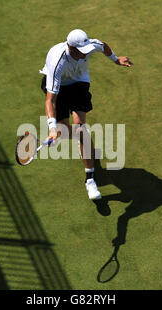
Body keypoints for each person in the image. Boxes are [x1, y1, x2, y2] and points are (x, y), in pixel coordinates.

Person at [39, 29, 133, 200]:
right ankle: (64, 134)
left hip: (79, 82)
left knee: (81, 130)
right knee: (63, 129)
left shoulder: (90, 45)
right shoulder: (57, 61)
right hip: (58, 86)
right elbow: (50, 101)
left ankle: (90, 180)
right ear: (71, 48)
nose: (85, 56)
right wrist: (52, 128)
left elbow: (103, 46)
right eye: (81, 53)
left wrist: (116, 60)